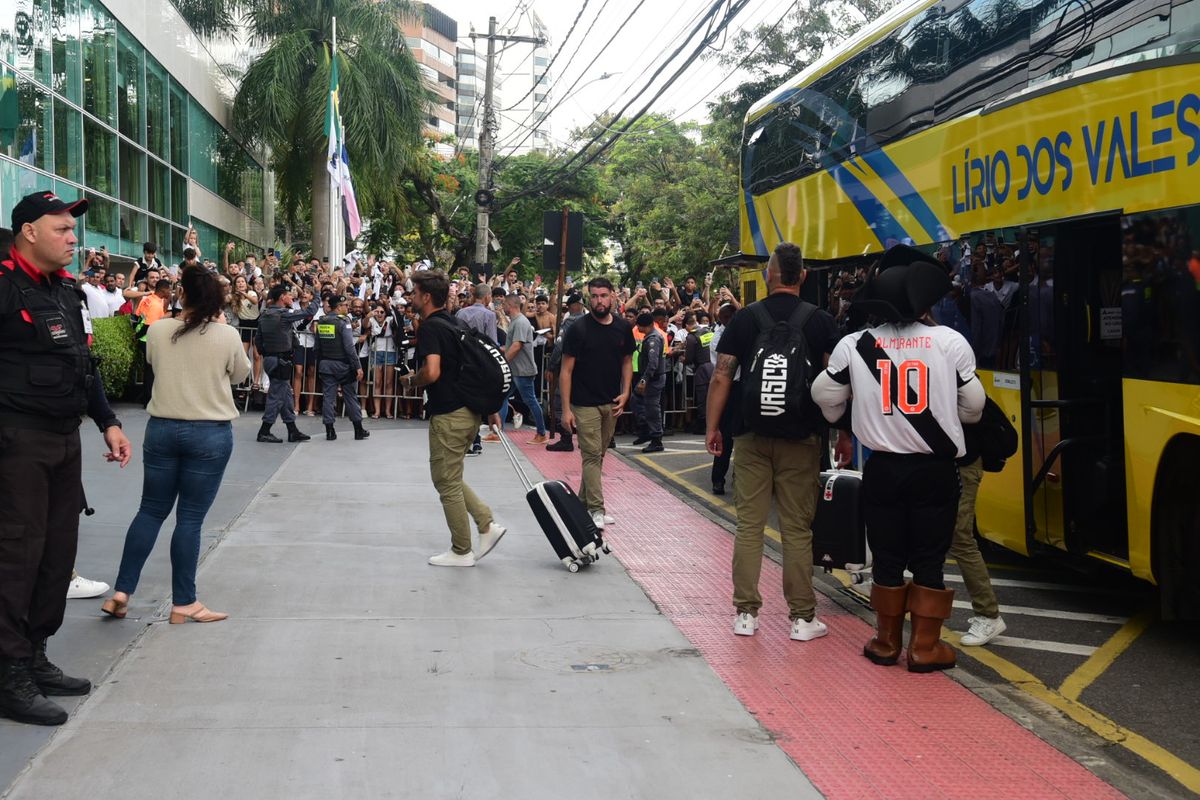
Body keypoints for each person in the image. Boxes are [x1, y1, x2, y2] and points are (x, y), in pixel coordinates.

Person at [812, 244, 986, 673]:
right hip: (934, 470)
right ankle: (925, 649)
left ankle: (886, 641)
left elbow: (824, 397)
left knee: (887, 555)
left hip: (884, 468)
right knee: (930, 557)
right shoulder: (951, 342)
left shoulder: (855, 345)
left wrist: (848, 415)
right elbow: (974, 407)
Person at [0, 191, 132, 726]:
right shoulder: (5, 290)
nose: (74, 239)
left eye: (73, 231)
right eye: (62, 230)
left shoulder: (65, 293)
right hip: (16, 442)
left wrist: (109, 422)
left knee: (57, 554)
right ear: (29, 231)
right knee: (16, 556)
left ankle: (34, 655)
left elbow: (84, 365)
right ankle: (8, 672)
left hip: (64, 439)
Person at [102, 266, 250, 627]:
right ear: (216, 300)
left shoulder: (158, 329)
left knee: (150, 510)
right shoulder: (227, 335)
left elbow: (155, 362)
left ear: (181, 293)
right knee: (190, 518)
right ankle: (184, 602)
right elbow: (240, 374)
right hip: (208, 433)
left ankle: (122, 592)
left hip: (162, 429)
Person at [706, 242, 839, 642]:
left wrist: (714, 427)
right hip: (801, 439)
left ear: (770, 275)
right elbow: (836, 384)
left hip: (750, 435)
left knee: (749, 525)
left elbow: (722, 376)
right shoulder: (820, 321)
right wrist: (842, 433)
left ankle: (746, 614)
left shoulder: (746, 319)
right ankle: (802, 619)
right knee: (798, 529)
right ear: (803, 276)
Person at [401, 271, 506, 567]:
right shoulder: (455, 322)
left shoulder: (432, 328)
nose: (412, 297)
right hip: (468, 411)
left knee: (445, 481)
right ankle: (486, 524)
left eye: (415, 293)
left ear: (425, 296)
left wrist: (411, 381)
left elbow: (432, 372)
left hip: (448, 413)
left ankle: (462, 550)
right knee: (452, 476)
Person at [559, 277, 635, 531]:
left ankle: (581, 505)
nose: (599, 300)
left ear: (613, 296)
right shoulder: (577, 329)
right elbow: (566, 371)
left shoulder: (623, 328)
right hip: (584, 405)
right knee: (591, 455)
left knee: (598, 456)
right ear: (588, 297)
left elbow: (627, 362)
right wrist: (566, 410)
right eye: (594, 296)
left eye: (603, 295)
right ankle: (596, 509)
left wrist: (626, 393)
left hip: (611, 403)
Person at [255, 284, 318, 443]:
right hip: (280, 360)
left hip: (270, 359)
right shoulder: (284, 314)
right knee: (276, 396)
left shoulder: (264, 315)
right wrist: (316, 295)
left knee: (285, 395)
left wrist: (268, 353)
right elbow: (309, 312)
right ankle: (264, 430)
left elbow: (258, 340)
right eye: (289, 295)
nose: (292, 297)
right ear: (282, 297)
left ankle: (292, 430)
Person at [316, 295, 369, 441]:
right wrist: (357, 366)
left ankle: (330, 431)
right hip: (343, 365)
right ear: (338, 307)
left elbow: (317, 347)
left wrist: (321, 363)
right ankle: (358, 430)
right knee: (350, 396)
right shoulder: (343, 322)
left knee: (328, 397)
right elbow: (349, 346)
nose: (348, 307)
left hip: (326, 365)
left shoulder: (322, 321)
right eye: (345, 305)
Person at [503, 293, 549, 444]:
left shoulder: (520, 322)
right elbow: (513, 345)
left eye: (504, 304)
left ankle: (541, 434)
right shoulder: (516, 321)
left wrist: (503, 361)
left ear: (510, 306)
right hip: (517, 370)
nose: (502, 307)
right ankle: (498, 430)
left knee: (531, 401)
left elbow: (517, 345)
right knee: (503, 397)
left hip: (523, 371)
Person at [545, 291, 587, 452]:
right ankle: (585, 440)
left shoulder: (570, 322)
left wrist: (551, 366)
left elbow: (560, 345)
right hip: (586, 368)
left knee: (560, 401)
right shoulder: (591, 320)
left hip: (570, 367)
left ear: (573, 306)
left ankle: (566, 438)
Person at [708, 302, 738, 494]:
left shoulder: (741, 331)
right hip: (727, 386)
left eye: (730, 317)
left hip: (742, 386)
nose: (727, 321)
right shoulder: (718, 337)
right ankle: (718, 479)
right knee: (725, 436)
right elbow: (721, 373)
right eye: (724, 318)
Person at [631, 312, 667, 453]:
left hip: (653, 379)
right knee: (636, 400)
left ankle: (656, 439)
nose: (638, 328)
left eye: (640, 326)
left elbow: (653, 363)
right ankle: (645, 430)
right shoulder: (649, 337)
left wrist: (644, 380)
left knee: (652, 409)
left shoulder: (654, 339)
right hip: (649, 378)